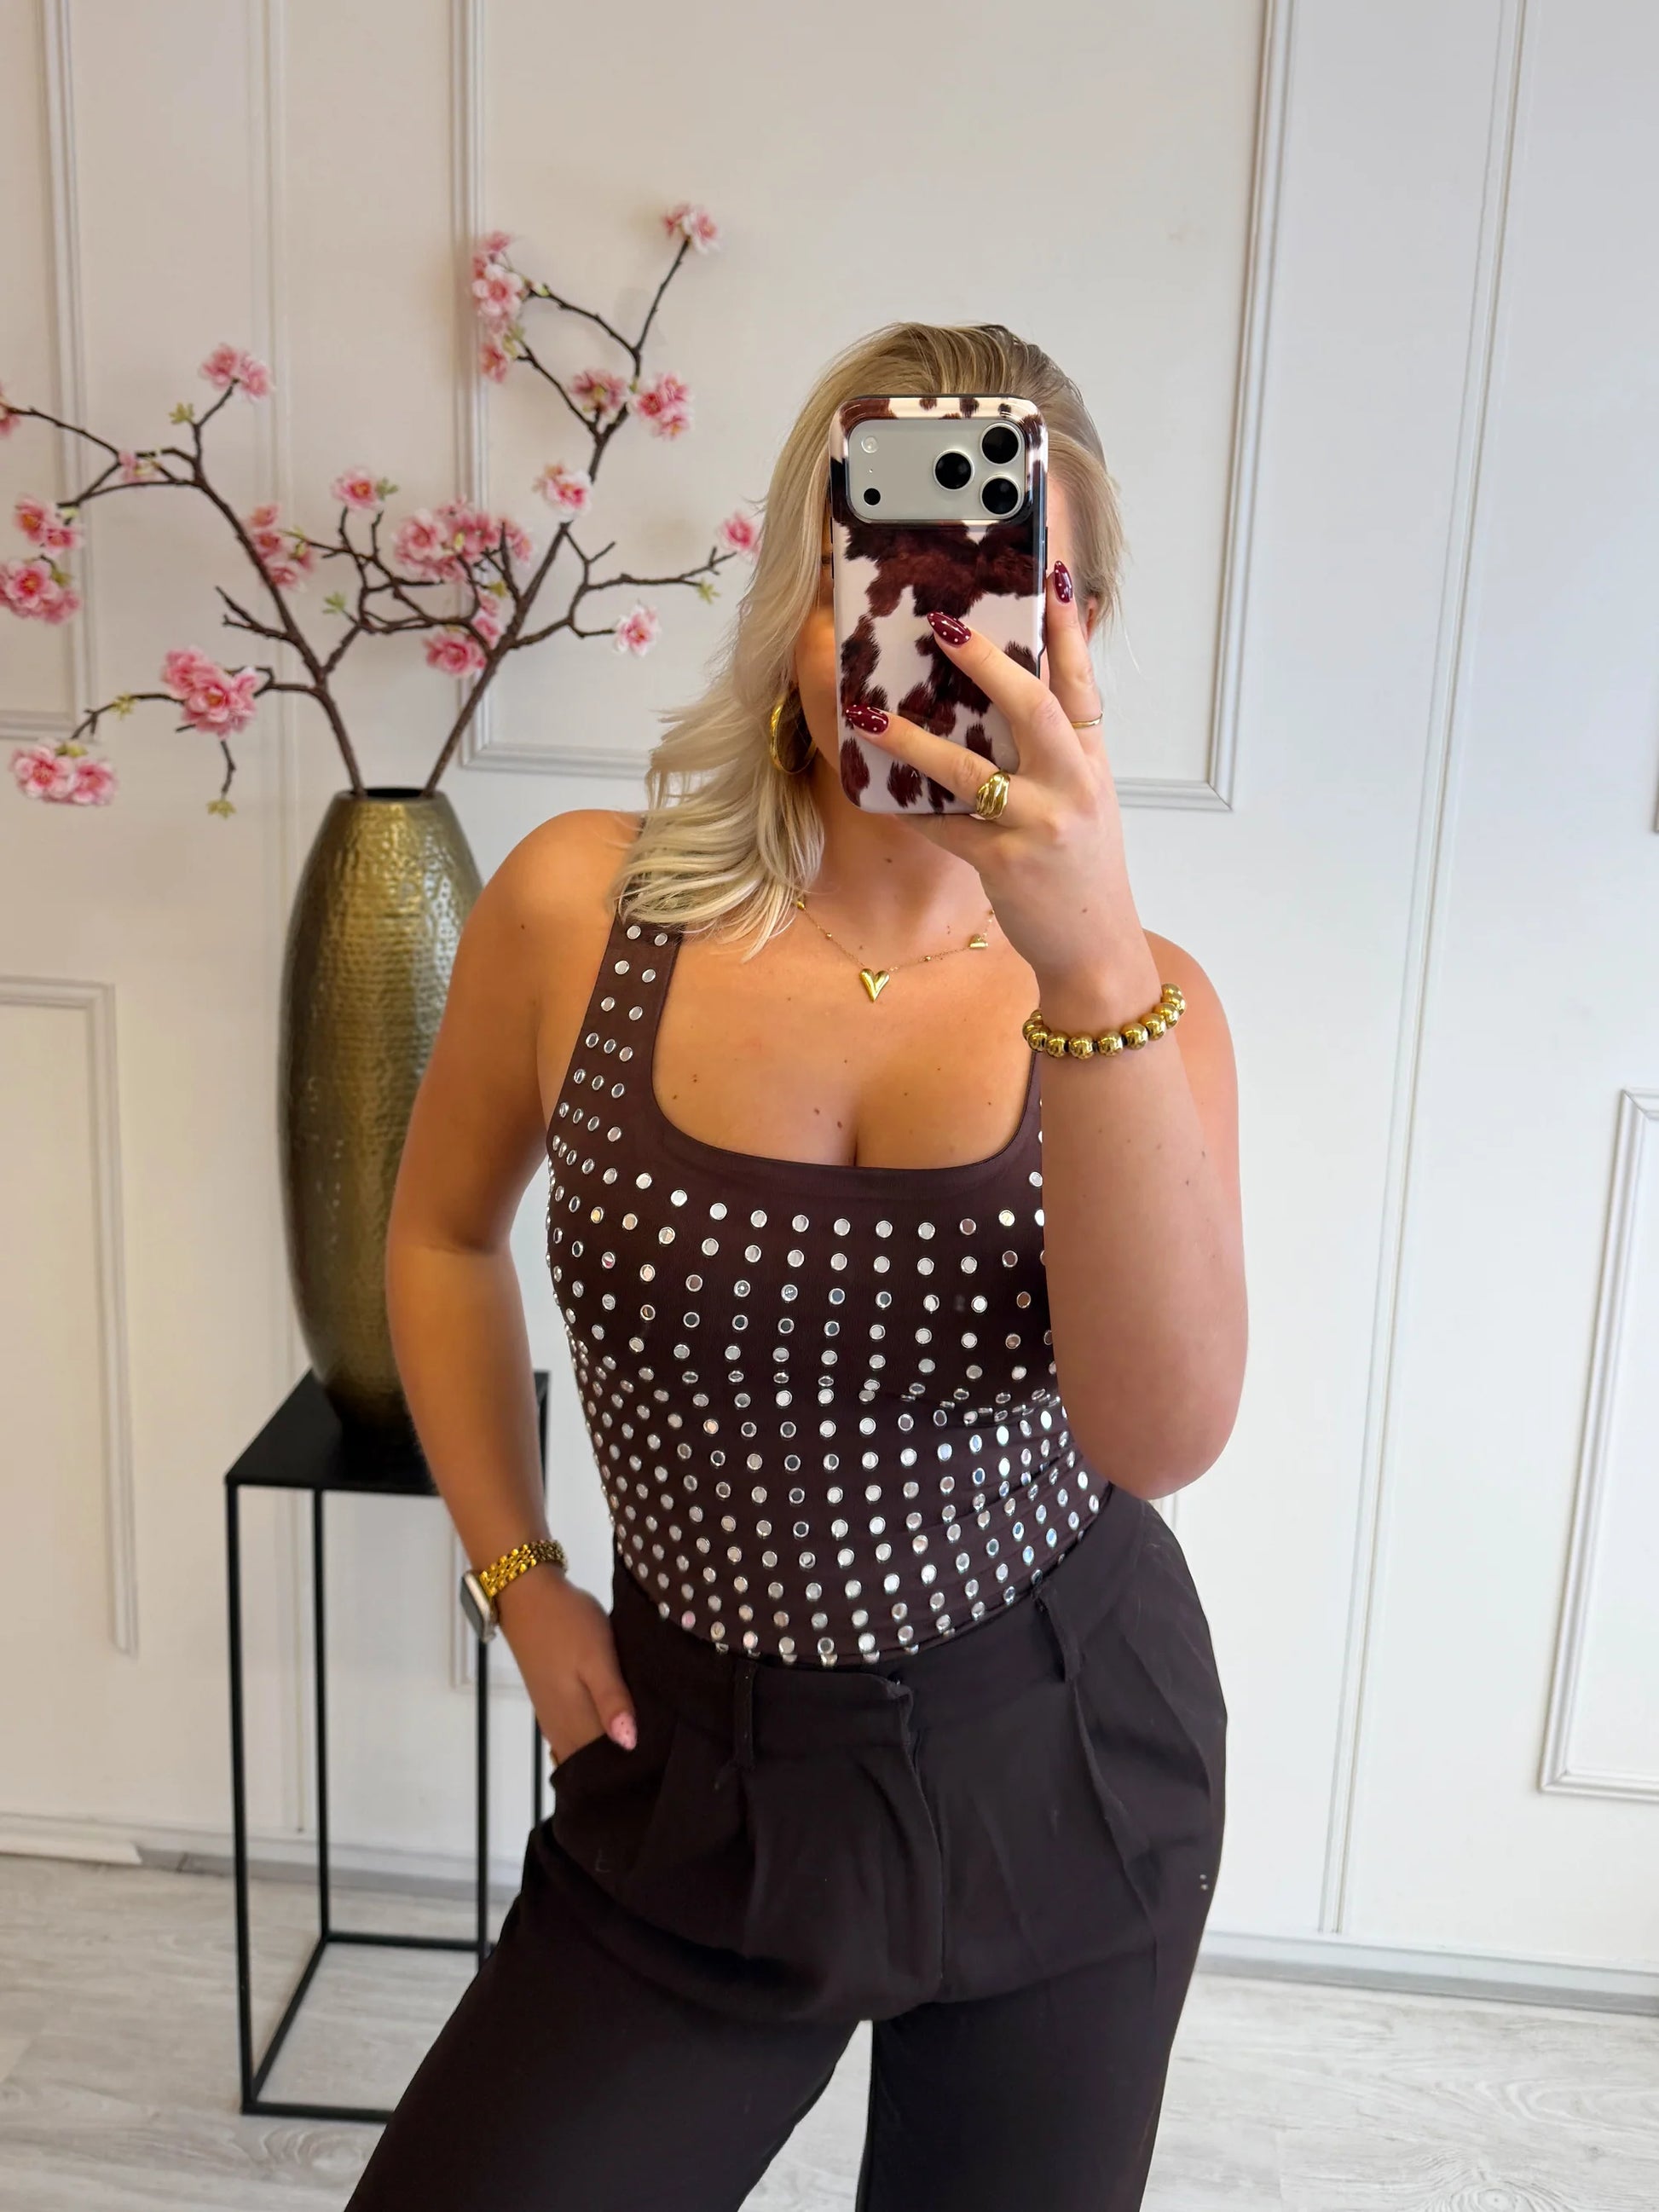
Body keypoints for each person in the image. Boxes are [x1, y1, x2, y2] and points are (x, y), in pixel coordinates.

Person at [352, 320, 1246, 2212]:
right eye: (882, 558)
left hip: (1065, 1760)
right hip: (692, 1775)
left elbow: (1156, 1439)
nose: (937, 623)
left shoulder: (1142, 1005)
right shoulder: (577, 907)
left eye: (1001, 577)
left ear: (1079, 625)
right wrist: (517, 1576)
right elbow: (436, 1232)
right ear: (798, 590)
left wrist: (1090, 967)